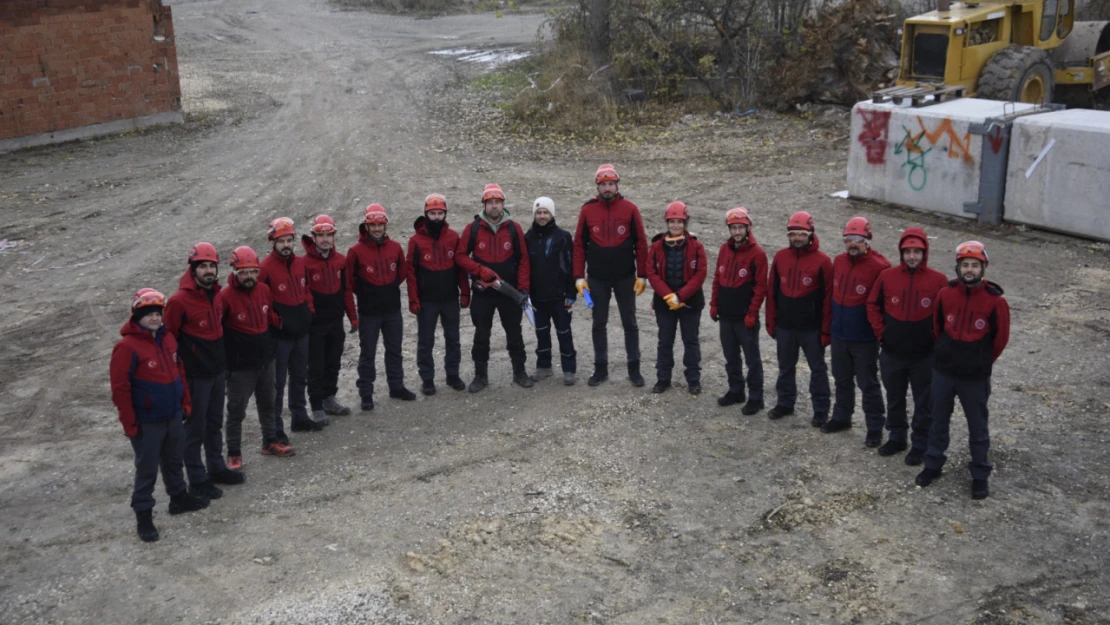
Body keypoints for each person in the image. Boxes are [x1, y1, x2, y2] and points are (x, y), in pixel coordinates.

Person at [110, 288, 209, 542]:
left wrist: (185, 402)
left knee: (174, 459)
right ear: (137, 316)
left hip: (173, 414)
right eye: (148, 314)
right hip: (147, 422)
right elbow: (121, 389)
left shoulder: (167, 339)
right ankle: (144, 515)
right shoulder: (127, 347)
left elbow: (179, 372)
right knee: (147, 469)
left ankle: (178, 498)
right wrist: (129, 423)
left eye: (157, 313)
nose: (154, 318)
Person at [915, 241, 1009, 500]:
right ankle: (933, 465)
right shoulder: (946, 294)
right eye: (965, 265)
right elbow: (937, 327)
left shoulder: (995, 301)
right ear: (958, 267)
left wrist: (980, 362)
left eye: (974, 265)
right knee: (937, 421)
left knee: (978, 427)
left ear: (983, 268)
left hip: (974, 377)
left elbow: (1000, 339)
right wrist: (946, 352)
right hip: (944, 372)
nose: (969, 270)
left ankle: (979, 475)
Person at [164, 243, 245, 503]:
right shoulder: (179, 302)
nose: (208, 271)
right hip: (195, 376)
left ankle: (216, 467)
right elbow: (169, 341)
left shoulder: (216, 296)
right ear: (193, 269)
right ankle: (198, 479)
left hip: (216, 372)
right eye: (203, 266)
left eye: (212, 266)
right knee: (195, 429)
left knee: (213, 423)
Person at [866, 227, 948, 464]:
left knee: (924, 401)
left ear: (925, 253)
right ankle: (897, 436)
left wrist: (936, 340)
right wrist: (882, 334)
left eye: (917, 251)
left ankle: (920, 443)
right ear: (901, 252)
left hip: (924, 355)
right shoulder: (887, 277)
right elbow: (872, 305)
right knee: (894, 397)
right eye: (908, 251)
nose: (912, 256)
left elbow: (945, 314)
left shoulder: (938, 280)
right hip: (892, 352)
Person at [572, 164, 650, 387]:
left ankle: (634, 369)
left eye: (611, 184)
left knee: (630, 323)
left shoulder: (630, 209)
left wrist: (642, 274)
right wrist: (579, 276)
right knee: (599, 323)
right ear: (597, 186)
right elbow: (579, 244)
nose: (607, 188)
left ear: (617, 185)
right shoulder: (587, 210)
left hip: (625, 276)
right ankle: (600, 368)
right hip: (597, 278)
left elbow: (641, 243)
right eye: (603, 184)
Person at [218, 246, 295, 468]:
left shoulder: (263, 290)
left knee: (268, 403)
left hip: (265, 360)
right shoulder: (225, 298)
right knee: (236, 411)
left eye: (253, 271)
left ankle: (270, 441)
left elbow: (268, 316)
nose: (249, 276)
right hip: (240, 367)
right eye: (244, 272)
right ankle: (234, 452)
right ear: (234, 271)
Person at [454, 184, 533, 391]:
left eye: (497, 202)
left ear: (503, 204)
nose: (494, 206)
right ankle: (480, 375)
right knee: (481, 333)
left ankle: (519, 372)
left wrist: (523, 288)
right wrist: (479, 270)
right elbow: (460, 256)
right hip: (484, 292)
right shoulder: (472, 228)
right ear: (484, 205)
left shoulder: (514, 228)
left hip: (509, 291)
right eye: (490, 203)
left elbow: (524, 259)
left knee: (514, 332)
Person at [822, 217, 891, 444]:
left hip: (864, 338)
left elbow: (883, 305)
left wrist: (880, 333)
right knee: (841, 380)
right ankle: (842, 417)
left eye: (858, 240)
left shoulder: (880, 267)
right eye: (849, 239)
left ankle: (874, 427)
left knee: (868, 384)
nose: (853, 244)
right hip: (840, 334)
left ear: (867, 241)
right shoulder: (839, 261)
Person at [259, 217, 326, 436]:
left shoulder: (300, 263)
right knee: (277, 385)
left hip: (301, 332)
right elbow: (262, 301)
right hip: (280, 337)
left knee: (299, 378)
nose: (286, 245)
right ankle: (276, 427)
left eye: (289, 240)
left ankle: (299, 417)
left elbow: (306, 289)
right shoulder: (265, 268)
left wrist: (310, 311)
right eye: (281, 241)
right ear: (273, 242)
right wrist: (277, 322)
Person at [765, 211, 833, 424]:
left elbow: (828, 298)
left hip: (811, 328)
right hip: (785, 326)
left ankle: (821, 410)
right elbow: (772, 291)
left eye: (801, 234)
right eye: (793, 234)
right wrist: (771, 321)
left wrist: (825, 330)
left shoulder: (823, 261)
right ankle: (785, 403)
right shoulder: (780, 257)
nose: (797, 238)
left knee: (818, 369)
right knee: (785, 367)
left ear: (811, 234)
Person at [347, 204, 415, 410]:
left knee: (394, 350)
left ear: (385, 225)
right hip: (369, 313)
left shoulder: (395, 247)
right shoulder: (355, 251)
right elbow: (349, 281)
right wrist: (367, 293)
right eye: (372, 225)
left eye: (380, 225)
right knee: (368, 353)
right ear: (366, 226)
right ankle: (366, 393)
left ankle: (396, 386)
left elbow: (402, 271)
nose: (377, 229)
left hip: (392, 309)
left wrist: (388, 288)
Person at [406, 194, 470, 396]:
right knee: (426, 341)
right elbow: (410, 273)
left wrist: (465, 292)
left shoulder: (453, 237)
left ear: (445, 214)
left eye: (439, 213)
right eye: (432, 213)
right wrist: (414, 299)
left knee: (453, 338)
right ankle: (427, 379)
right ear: (426, 214)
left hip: (450, 297)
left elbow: (460, 267)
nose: (436, 217)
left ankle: (452, 375)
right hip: (427, 300)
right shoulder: (415, 241)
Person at [710, 207, 767, 415]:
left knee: (752, 358)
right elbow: (717, 277)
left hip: (745, 317)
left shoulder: (757, 254)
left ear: (748, 227)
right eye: (733, 228)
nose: (737, 232)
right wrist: (714, 303)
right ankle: (736, 390)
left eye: (740, 228)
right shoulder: (725, 250)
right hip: (726, 315)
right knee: (731, 356)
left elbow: (761, 288)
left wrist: (752, 313)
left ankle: (756, 397)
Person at [646, 201, 707, 394]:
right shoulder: (656, 246)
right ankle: (663, 379)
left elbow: (700, 274)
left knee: (691, 341)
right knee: (665, 341)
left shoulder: (697, 246)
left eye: (679, 222)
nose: (675, 225)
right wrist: (668, 296)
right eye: (672, 221)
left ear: (685, 223)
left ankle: (694, 380)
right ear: (667, 223)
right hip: (665, 304)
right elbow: (651, 273)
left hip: (690, 302)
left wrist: (680, 296)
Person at [301, 215, 358, 422]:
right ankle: (316, 406)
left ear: (334, 236)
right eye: (320, 235)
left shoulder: (340, 261)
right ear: (313, 237)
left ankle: (329, 398)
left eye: (329, 235)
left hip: (336, 322)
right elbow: (304, 293)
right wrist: (309, 317)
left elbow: (346, 291)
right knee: (315, 366)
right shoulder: (304, 263)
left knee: (333, 362)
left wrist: (353, 317)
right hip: (315, 325)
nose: (325, 239)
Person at [524, 196, 577, 385]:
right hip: (538, 297)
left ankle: (569, 369)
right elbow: (524, 266)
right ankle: (544, 366)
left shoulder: (563, 237)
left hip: (559, 295)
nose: (542, 216)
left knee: (564, 332)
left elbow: (570, 266)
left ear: (552, 214)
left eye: (545, 212)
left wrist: (571, 294)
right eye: (538, 212)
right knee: (542, 333)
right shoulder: (527, 237)